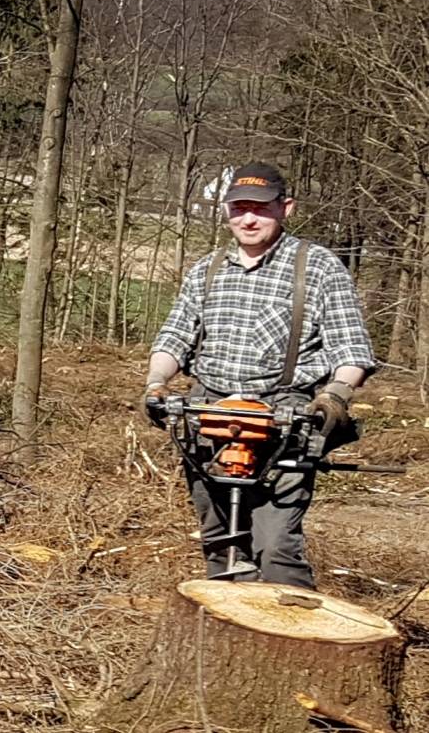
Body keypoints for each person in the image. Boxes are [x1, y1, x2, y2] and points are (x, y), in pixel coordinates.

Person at [147, 162, 373, 588]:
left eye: (261, 208)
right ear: (226, 212)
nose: (248, 219)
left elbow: (352, 351)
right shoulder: (207, 269)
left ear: (286, 208)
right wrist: (156, 384)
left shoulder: (318, 268)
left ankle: (291, 619)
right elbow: (173, 338)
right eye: (239, 208)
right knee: (219, 539)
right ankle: (225, 615)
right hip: (210, 414)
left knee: (277, 545)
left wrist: (335, 395)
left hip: (283, 418)